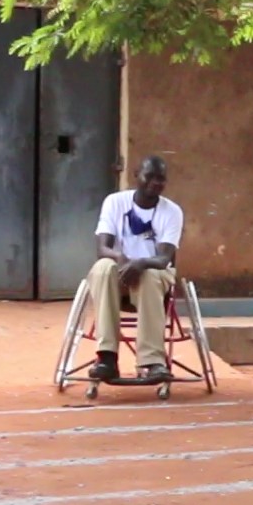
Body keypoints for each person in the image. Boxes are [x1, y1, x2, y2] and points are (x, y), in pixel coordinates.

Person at [86, 156, 184, 382]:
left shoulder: (172, 212)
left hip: (154, 278)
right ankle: (106, 357)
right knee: (103, 267)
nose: (155, 183)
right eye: (149, 176)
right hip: (117, 278)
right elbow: (102, 248)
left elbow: (163, 259)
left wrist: (139, 263)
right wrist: (120, 257)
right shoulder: (115, 202)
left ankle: (152, 361)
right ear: (136, 176)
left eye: (161, 179)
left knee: (150, 274)